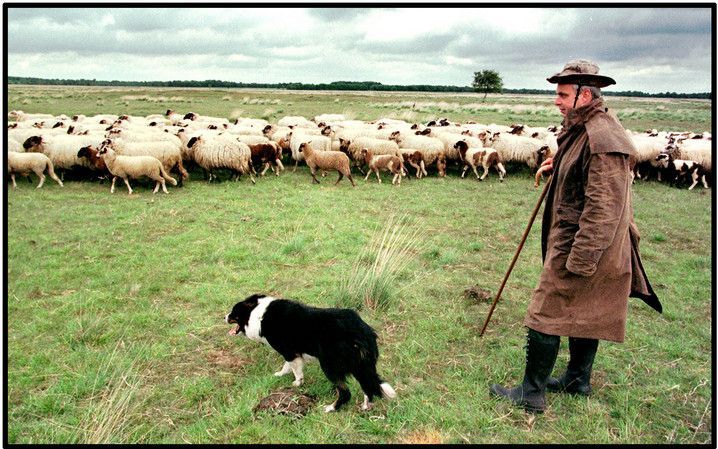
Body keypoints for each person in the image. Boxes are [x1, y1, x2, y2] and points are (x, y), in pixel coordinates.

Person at [489, 59, 662, 414]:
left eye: (563, 94)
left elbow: (604, 207)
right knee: (586, 309)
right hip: (583, 242)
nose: (557, 100)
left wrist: (581, 259)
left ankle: (532, 393)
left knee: (544, 312)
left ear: (586, 94)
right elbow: (586, 172)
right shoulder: (586, 128)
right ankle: (576, 380)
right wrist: (560, 164)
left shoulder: (604, 138)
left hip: (585, 244)